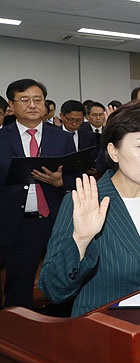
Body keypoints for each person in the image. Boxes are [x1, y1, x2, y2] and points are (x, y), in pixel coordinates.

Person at [39, 100, 140, 317]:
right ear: (114, 152)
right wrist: (81, 241)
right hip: (103, 330)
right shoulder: (86, 201)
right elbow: (53, 290)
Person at [0, 78, 77, 309]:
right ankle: (19, 339)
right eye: (24, 100)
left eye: (38, 100)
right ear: (12, 106)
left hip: (57, 222)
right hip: (19, 225)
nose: (32, 105)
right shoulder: (2, 139)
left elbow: (76, 178)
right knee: (19, 289)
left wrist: (61, 181)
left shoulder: (62, 138)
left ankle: (60, 329)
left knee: (64, 282)